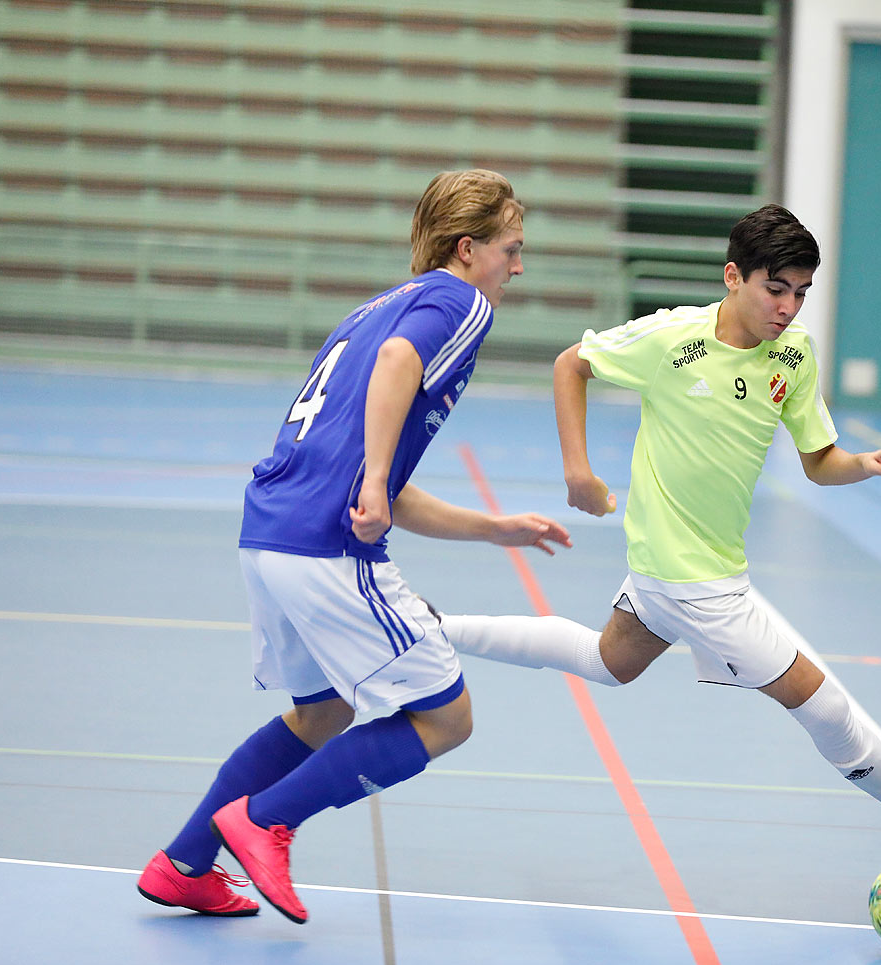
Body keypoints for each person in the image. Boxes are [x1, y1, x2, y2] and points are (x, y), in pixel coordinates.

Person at [440, 204, 881, 875]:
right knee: (823, 705)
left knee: (607, 662)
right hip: (692, 584)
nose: (788, 307)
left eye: (801, 293)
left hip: (686, 571)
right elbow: (572, 365)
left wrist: (865, 464)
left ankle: (433, 626)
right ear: (734, 276)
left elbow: (819, 461)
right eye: (776, 289)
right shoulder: (673, 340)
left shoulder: (794, 357)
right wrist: (578, 472)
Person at [136, 168, 572, 923]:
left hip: (270, 533)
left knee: (325, 710)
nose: (519, 266)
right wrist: (373, 479)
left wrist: (491, 527)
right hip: (323, 547)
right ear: (468, 249)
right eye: (512, 247)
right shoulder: (461, 302)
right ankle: (267, 820)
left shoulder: (373, 308)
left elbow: (386, 484)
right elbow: (396, 382)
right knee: (447, 717)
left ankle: (185, 862)